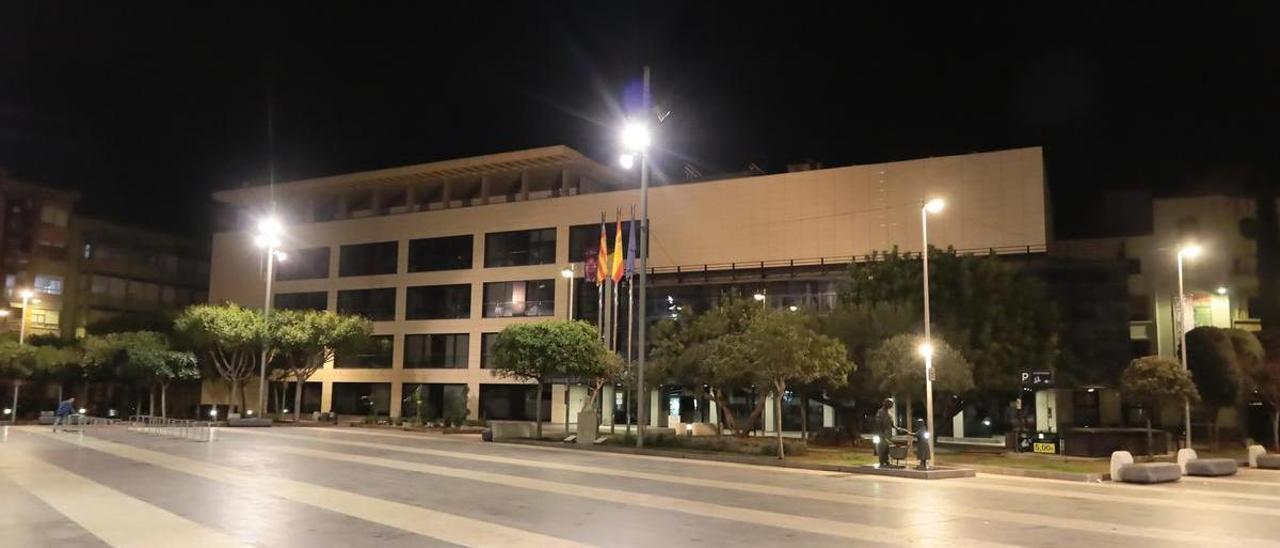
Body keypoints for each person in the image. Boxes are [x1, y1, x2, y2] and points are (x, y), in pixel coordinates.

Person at [874, 398, 904, 467]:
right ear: (886, 403)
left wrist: (897, 428)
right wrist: (881, 434)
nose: (891, 406)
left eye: (892, 404)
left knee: (887, 449)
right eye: (890, 404)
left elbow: (892, 425)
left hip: (888, 435)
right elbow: (878, 424)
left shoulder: (889, 414)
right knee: (882, 448)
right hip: (883, 435)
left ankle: (886, 461)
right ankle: (881, 462)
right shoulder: (880, 412)